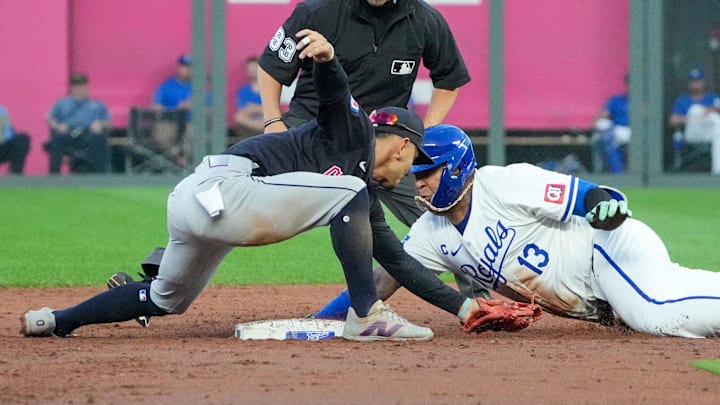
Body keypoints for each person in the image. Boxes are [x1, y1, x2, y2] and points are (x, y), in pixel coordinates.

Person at [22, 33, 485, 342]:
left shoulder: (354, 194)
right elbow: (333, 95)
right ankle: (366, 316)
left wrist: (464, 308)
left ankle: (56, 320)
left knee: (164, 298)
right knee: (349, 191)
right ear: (403, 147)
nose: (407, 178)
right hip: (225, 188)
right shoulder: (355, 134)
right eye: (412, 165)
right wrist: (326, 60)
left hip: (197, 202)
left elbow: (397, 260)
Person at [315, 123, 720, 337]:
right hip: (604, 298)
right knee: (656, 303)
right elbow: (380, 282)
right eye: (415, 174)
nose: (417, 183)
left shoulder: (502, 182)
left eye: (427, 173)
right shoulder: (429, 233)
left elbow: (588, 195)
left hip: (608, 249)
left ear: (455, 169)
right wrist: (322, 320)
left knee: (653, 314)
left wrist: (604, 209)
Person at [258, 0, 487, 305]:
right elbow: (272, 66)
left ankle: (482, 301)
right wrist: (273, 120)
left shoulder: (425, 19)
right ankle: (175, 265)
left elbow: (450, 79)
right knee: (237, 195)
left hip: (385, 146)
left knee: (447, 209)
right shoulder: (318, 10)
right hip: (316, 136)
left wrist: (422, 134)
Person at [45, 73, 111, 174]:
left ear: (87, 86)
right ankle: (54, 176)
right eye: (77, 86)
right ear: (72, 88)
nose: (80, 89)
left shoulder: (98, 105)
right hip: (68, 133)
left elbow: (108, 122)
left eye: (82, 86)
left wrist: (100, 124)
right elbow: (50, 119)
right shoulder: (61, 103)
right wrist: (58, 126)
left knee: (99, 138)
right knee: (57, 139)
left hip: (89, 133)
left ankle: (100, 174)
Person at [669, 68, 720, 175]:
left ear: (703, 82)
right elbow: (673, 120)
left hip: (709, 133)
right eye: (693, 81)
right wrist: (694, 117)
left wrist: (711, 110)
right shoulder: (682, 100)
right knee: (695, 109)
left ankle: (717, 170)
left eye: (698, 81)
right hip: (691, 133)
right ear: (689, 83)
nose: (696, 84)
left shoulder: (712, 98)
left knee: (718, 128)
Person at [592, 74, 630, 174]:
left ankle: (618, 172)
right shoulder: (617, 100)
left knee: (610, 137)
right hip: (618, 130)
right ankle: (616, 172)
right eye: (629, 83)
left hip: (637, 132)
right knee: (604, 135)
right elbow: (601, 116)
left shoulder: (645, 101)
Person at [232, 56, 264, 141]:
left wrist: (254, 107)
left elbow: (272, 108)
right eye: (249, 69)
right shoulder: (243, 90)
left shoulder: (268, 88)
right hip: (250, 122)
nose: (252, 71)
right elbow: (243, 110)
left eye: (254, 68)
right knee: (238, 117)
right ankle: (259, 128)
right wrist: (258, 108)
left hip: (264, 118)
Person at [0, 104, 30, 175]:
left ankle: (14, 174)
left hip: (3, 146)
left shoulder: (2, 111)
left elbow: (7, 134)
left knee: (23, 139)